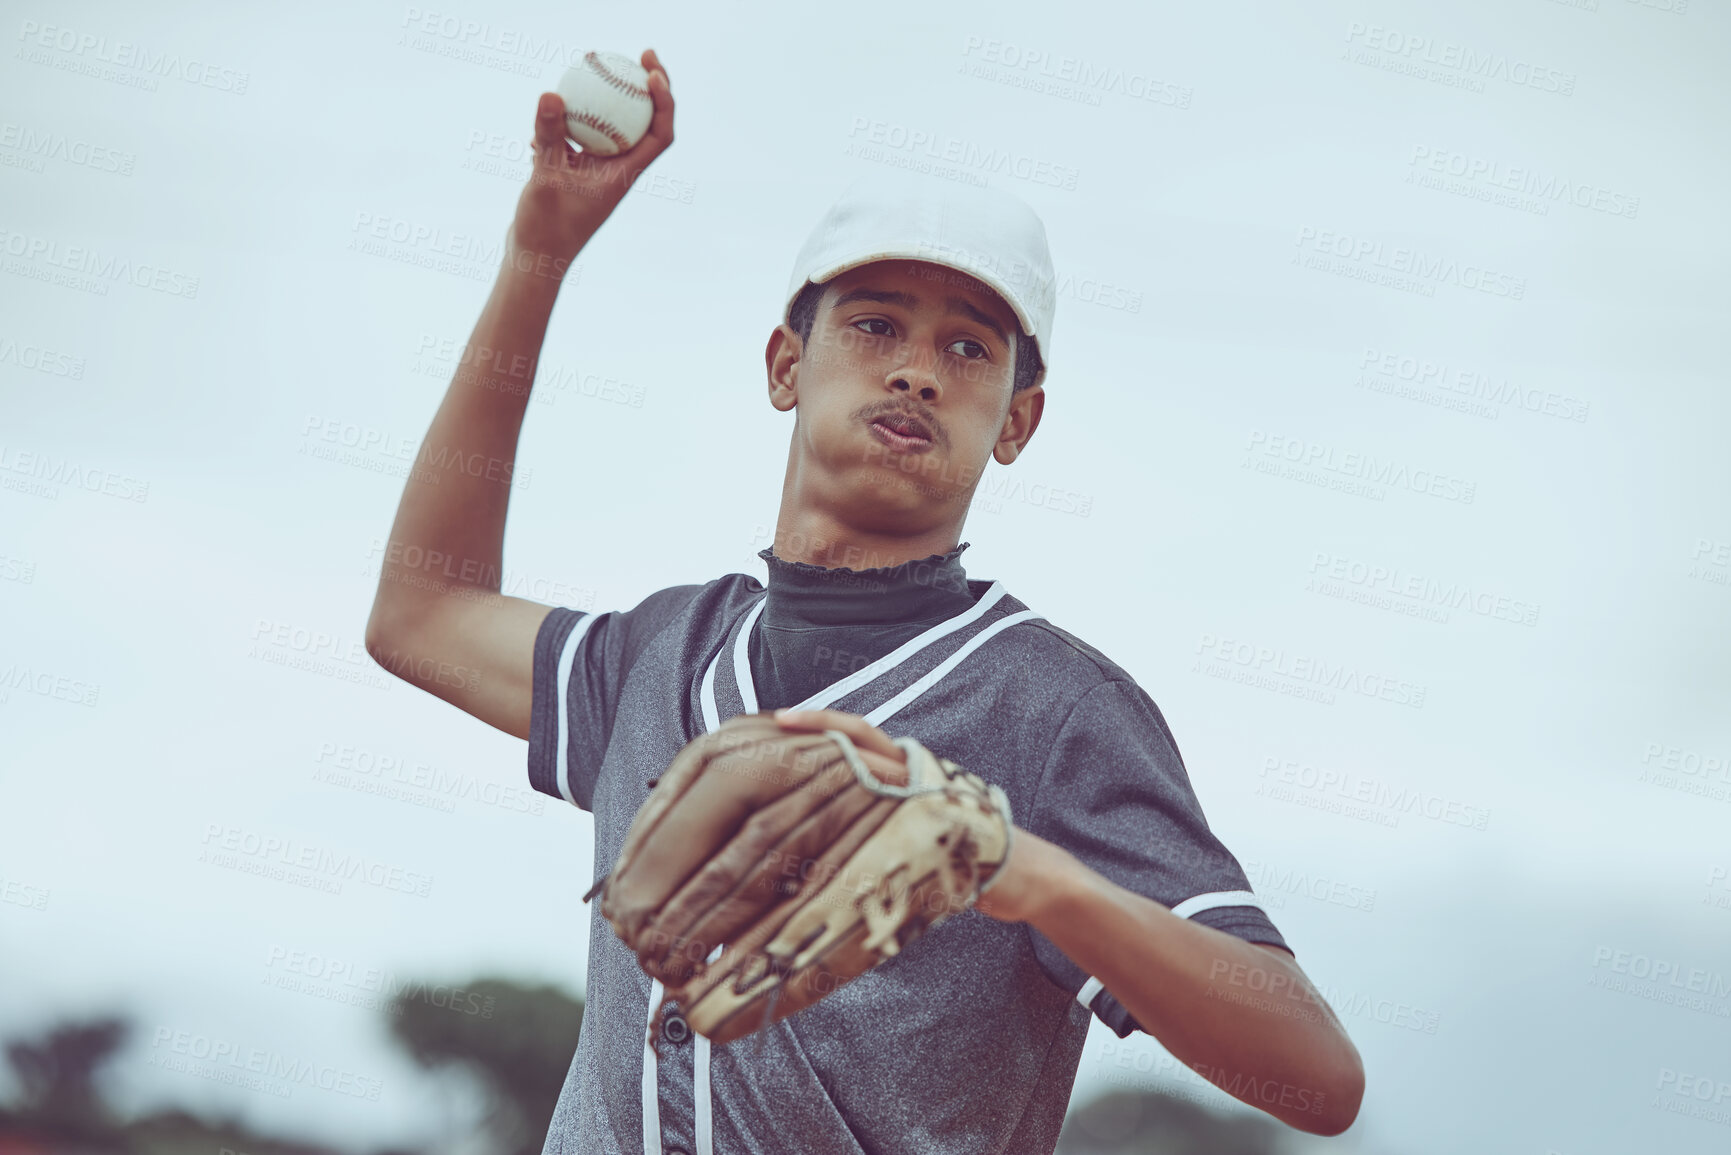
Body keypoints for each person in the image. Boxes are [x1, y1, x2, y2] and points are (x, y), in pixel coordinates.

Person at [363, 48, 1364, 1155]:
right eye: (875, 324)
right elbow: (420, 616)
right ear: (786, 364)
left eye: (969, 348)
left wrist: (1025, 871)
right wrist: (538, 255)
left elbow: (1316, 1079)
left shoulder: (1052, 708)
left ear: (1017, 423)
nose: (917, 371)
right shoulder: (666, 654)